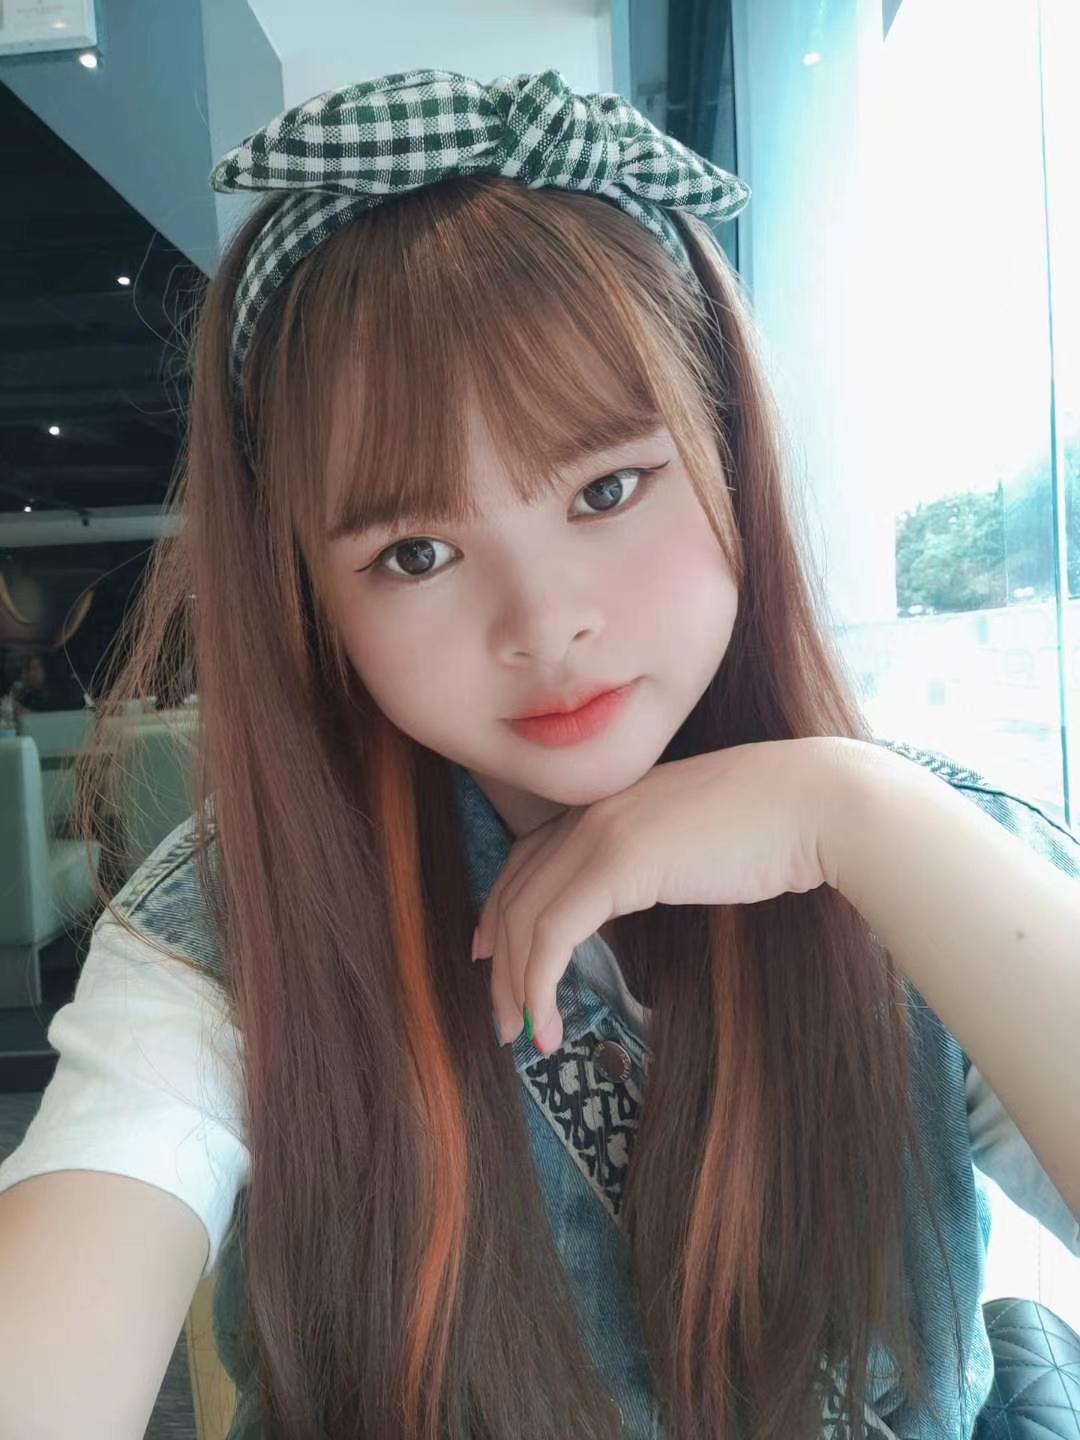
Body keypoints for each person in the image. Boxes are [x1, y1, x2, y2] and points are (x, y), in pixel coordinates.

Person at [0, 69, 1078, 1440]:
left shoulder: (931, 859)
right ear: (310, 596)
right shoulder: (235, 929)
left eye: (606, 489)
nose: (544, 624)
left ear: (731, 453)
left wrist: (856, 816)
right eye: (416, 553)